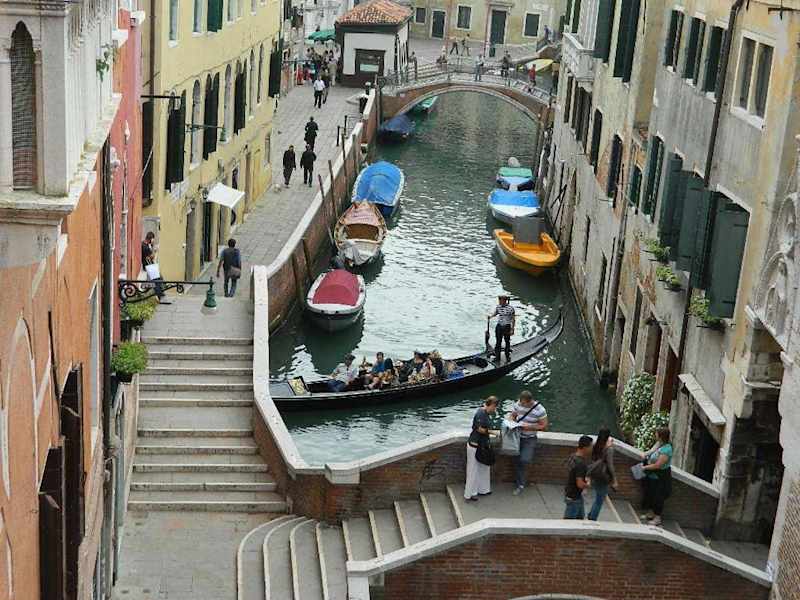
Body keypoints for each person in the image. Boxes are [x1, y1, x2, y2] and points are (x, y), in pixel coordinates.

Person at [510, 390, 548, 495]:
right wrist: (512, 422)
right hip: (517, 437)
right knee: (516, 460)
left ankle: (521, 482)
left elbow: (544, 426)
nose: (521, 405)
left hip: (529, 438)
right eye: (520, 402)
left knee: (525, 459)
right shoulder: (518, 404)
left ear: (529, 401)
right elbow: (513, 415)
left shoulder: (540, 410)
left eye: (523, 403)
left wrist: (529, 427)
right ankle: (520, 483)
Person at [464, 396, 499, 501]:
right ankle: (470, 493)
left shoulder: (485, 413)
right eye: (495, 407)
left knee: (483, 467)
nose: (495, 409)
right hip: (475, 445)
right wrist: (493, 432)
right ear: (491, 405)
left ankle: (483, 489)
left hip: (482, 445)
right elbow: (479, 429)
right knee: (473, 469)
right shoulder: (480, 413)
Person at [640, 427, 673, 526]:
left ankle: (657, 517)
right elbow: (651, 452)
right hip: (652, 476)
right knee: (650, 494)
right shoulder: (659, 444)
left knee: (658, 497)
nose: (655, 435)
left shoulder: (667, 449)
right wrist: (644, 455)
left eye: (656, 433)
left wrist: (645, 468)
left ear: (661, 436)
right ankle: (651, 513)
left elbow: (658, 465)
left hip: (660, 477)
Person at [587, 427, 618, 521]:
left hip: (595, 474)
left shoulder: (595, 445)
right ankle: (592, 518)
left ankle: (591, 514)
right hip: (603, 476)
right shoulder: (609, 449)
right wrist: (614, 479)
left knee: (598, 496)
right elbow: (610, 465)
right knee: (599, 500)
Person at [564, 435, 593, 519]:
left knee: (580, 519)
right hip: (574, 497)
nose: (592, 448)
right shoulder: (581, 463)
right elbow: (580, 484)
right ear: (585, 447)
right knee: (568, 523)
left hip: (572, 494)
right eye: (591, 446)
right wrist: (588, 484)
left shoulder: (572, 456)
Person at [489, 294, 515, 362]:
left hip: (507, 326)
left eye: (500, 300)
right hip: (499, 326)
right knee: (498, 342)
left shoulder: (510, 308)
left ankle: (507, 355)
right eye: (499, 300)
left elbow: (513, 319)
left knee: (507, 341)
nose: (499, 302)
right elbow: (496, 313)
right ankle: (497, 357)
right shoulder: (498, 306)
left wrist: (512, 329)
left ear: (504, 301)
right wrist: (491, 316)